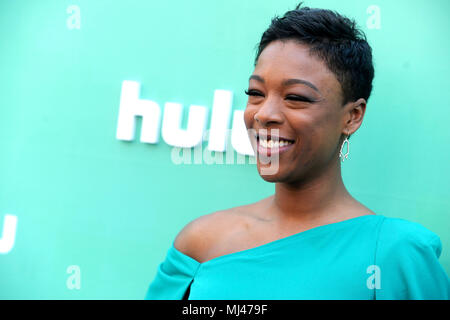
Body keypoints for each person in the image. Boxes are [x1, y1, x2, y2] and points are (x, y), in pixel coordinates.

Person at [145, 2, 450, 299]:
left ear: (352, 116)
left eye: (296, 97)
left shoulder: (395, 254)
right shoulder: (200, 243)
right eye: (255, 93)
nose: (264, 113)